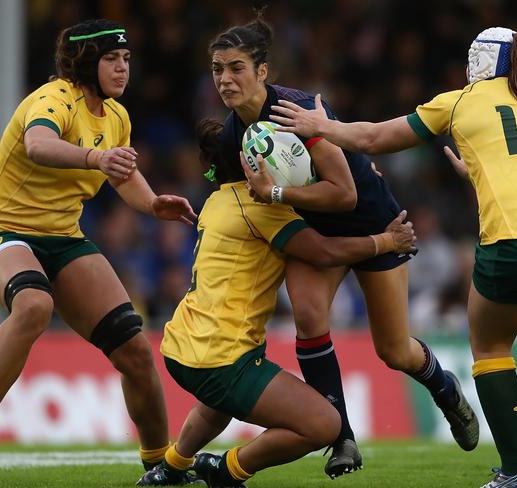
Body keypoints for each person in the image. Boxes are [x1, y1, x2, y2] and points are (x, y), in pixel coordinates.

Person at [271, 27, 517, 488]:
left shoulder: (458, 101)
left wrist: (322, 127)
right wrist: (477, 172)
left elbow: (373, 138)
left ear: (486, 61)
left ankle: (515, 473)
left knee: (490, 349)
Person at [206, 15, 480, 479]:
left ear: (263, 72)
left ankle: (444, 386)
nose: (225, 79)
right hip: (316, 234)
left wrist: (278, 194)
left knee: (394, 351)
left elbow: (345, 193)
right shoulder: (233, 134)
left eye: (236, 68)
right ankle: (343, 439)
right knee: (309, 317)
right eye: (217, 69)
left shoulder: (296, 112)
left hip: (374, 222)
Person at [0, 19, 197, 473]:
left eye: (126, 59)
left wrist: (152, 204)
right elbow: (38, 144)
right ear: (87, 62)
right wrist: (96, 157)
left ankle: (160, 468)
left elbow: (121, 173)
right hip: (3, 232)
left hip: (64, 239)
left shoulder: (117, 116)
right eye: (112, 59)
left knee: (136, 352)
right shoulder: (55, 98)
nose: (123, 68)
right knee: (32, 305)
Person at [137, 118, 418, 487]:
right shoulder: (262, 208)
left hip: (183, 345)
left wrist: (356, 174)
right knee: (323, 425)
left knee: (219, 403)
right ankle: (226, 470)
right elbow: (320, 250)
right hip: (222, 356)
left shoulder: (219, 199)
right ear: (249, 161)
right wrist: (385, 241)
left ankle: (172, 468)